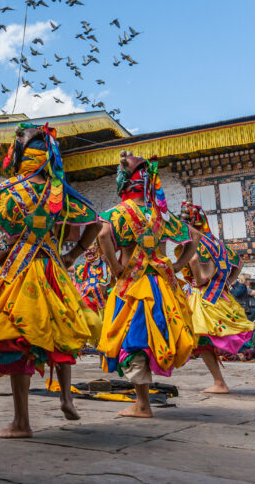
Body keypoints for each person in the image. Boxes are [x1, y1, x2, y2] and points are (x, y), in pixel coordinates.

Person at [0, 123, 101, 437]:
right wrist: (73, 254)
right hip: (52, 269)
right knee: (60, 328)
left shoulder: (6, 190)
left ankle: (22, 422)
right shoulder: (59, 190)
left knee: (15, 338)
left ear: (21, 154)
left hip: (17, 269)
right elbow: (94, 222)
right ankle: (66, 398)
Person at [96, 152, 198, 419]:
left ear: (124, 181)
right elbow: (194, 237)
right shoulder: (161, 215)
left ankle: (142, 405)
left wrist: (114, 267)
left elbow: (103, 234)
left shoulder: (117, 213)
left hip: (133, 284)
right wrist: (177, 266)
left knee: (134, 338)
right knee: (156, 335)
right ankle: (142, 402)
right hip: (162, 285)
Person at [177, 201, 255, 393]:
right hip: (220, 296)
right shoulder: (218, 244)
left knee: (201, 340)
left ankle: (219, 383)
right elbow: (240, 262)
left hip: (202, 296)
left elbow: (193, 259)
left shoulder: (193, 241)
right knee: (208, 340)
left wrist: (200, 279)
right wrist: (228, 281)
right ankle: (218, 382)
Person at [72, 246, 110, 316]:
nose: (89, 252)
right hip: (87, 300)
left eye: (92, 250)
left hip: (101, 302)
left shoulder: (105, 266)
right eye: (87, 250)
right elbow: (70, 268)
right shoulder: (84, 268)